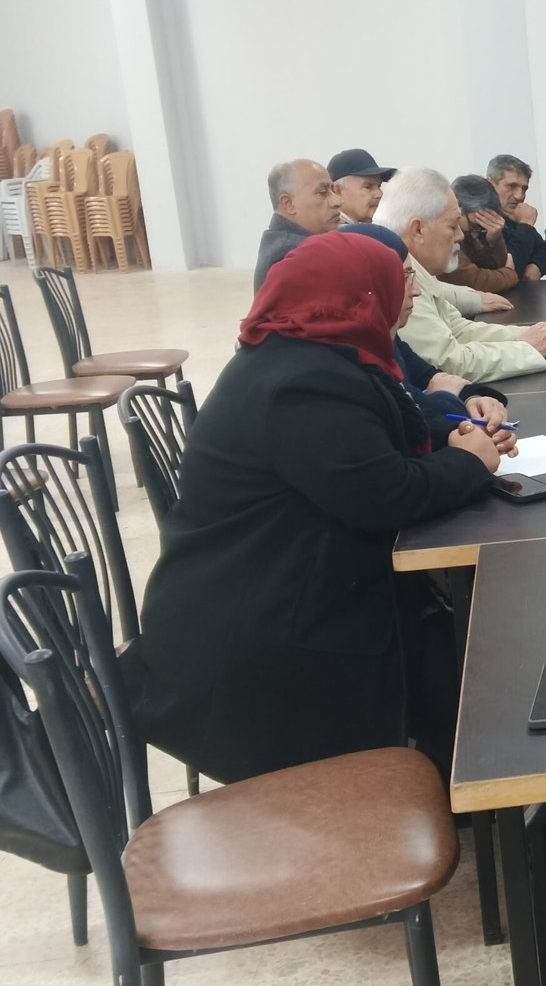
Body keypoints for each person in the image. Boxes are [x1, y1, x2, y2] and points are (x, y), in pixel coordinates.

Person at [121, 231, 499, 784]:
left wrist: (451, 437)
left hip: (285, 584)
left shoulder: (314, 352)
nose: (414, 292)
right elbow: (386, 496)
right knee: (464, 666)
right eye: (397, 282)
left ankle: (476, 793)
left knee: (459, 656)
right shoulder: (302, 385)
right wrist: (469, 463)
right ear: (356, 297)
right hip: (266, 645)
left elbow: (381, 433)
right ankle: (490, 803)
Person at [378, 168, 546, 383]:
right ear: (418, 230)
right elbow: (449, 362)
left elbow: (459, 330)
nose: (460, 236)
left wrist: (527, 336)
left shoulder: (415, 269)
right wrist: (530, 349)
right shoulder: (397, 277)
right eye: (452, 226)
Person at [341, 221, 520, 436]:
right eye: (404, 278)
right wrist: (448, 400)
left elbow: (432, 377)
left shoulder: (389, 339)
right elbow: (415, 420)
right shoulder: (351, 359)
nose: (416, 291)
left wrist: (475, 400)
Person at [253, 159, 341, 290]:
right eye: (323, 192)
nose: (338, 201)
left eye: (334, 190)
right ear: (288, 204)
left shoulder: (282, 242)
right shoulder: (293, 255)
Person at [438, 175, 520, 293]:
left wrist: (494, 240)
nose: (475, 235)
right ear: (458, 207)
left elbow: (492, 269)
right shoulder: (442, 232)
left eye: (482, 229)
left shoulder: (474, 231)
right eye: (474, 226)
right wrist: (509, 274)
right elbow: (473, 281)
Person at [487, 153, 546, 281]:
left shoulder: (513, 216)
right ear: (490, 184)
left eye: (524, 189)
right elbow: (510, 267)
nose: (519, 196)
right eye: (511, 186)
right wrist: (526, 224)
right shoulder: (482, 220)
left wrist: (537, 266)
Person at [328, 147, 396, 224]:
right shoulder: (327, 229)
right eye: (368, 187)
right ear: (337, 191)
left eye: (379, 186)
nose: (379, 194)